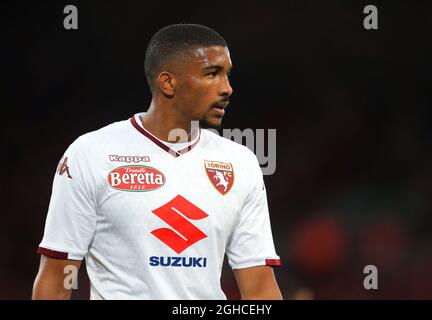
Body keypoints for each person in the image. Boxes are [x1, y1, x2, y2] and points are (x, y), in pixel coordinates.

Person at [32, 23, 282, 300]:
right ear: (168, 82)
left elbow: (260, 288)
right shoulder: (91, 154)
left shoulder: (240, 163)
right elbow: (56, 280)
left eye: (227, 75)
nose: (227, 88)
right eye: (212, 74)